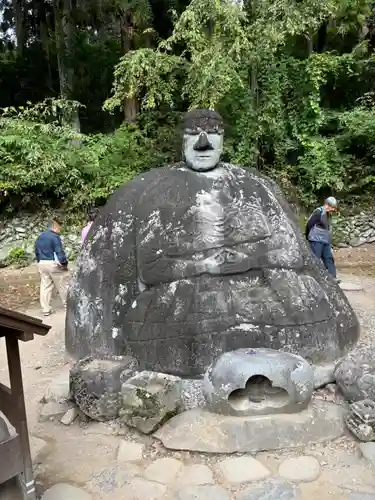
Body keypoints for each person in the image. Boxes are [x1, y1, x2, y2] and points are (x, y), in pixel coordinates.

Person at [35, 218, 69, 316]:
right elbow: (59, 251)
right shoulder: (55, 237)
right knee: (63, 285)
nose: (60, 229)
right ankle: (68, 307)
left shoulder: (40, 237)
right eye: (59, 226)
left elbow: (36, 252)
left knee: (45, 286)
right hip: (53, 264)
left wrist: (39, 262)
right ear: (54, 226)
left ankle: (46, 309)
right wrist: (64, 263)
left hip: (42, 263)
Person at [305, 197, 338, 280]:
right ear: (326, 205)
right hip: (316, 240)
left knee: (328, 258)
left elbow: (328, 228)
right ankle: (314, 278)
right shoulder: (318, 212)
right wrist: (308, 237)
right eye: (332, 207)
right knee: (316, 259)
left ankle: (332, 278)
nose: (333, 209)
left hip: (325, 240)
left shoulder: (328, 214)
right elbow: (309, 224)